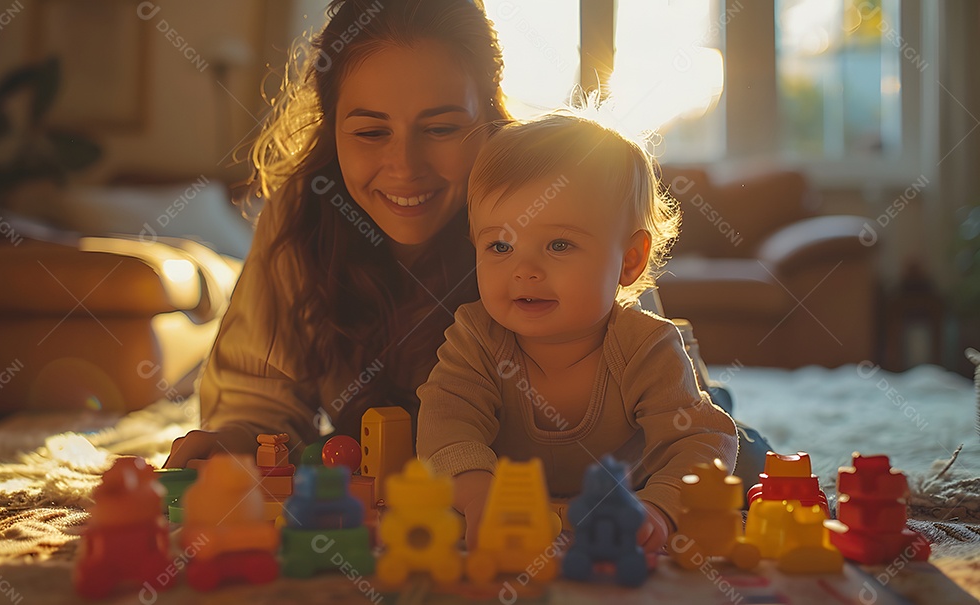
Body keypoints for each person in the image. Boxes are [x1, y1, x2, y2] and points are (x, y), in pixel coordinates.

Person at [164, 0, 512, 468]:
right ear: (332, 131)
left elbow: (622, 404)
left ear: (491, 123)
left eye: (442, 128)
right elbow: (262, 401)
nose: (405, 167)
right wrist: (241, 443)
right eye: (371, 132)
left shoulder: (546, 207)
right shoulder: (303, 213)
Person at [415, 114, 740, 555]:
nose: (524, 270)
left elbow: (696, 442)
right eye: (501, 246)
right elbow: (445, 423)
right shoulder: (477, 336)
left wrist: (660, 509)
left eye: (559, 245)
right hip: (533, 503)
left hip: (632, 477)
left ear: (628, 260)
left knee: (737, 451)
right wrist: (478, 497)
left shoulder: (644, 345)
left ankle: (712, 392)